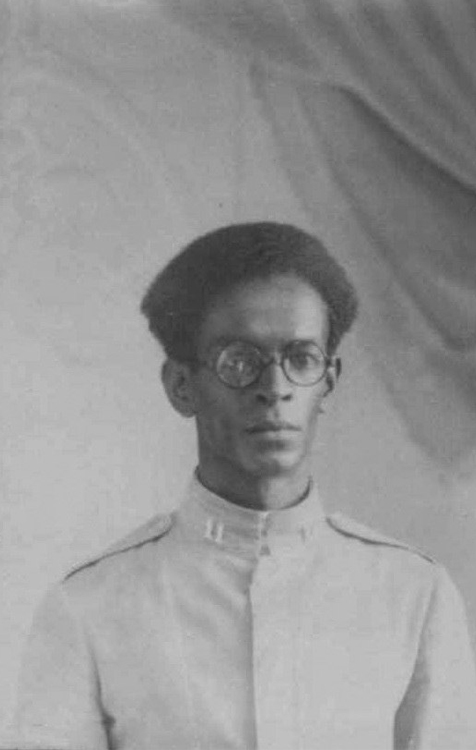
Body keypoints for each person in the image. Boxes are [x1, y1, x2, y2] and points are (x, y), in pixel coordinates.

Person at [11, 222, 476, 750]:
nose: (274, 389)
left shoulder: (414, 596)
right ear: (181, 386)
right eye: (239, 362)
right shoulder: (90, 607)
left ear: (328, 383)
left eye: (301, 359)